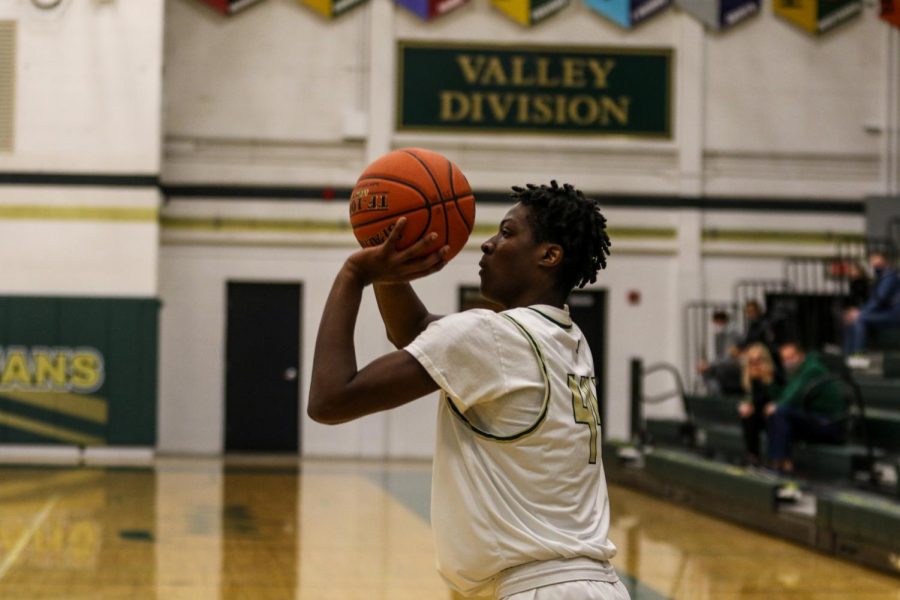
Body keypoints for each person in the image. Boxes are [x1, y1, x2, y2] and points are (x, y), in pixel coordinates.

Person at [308, 181, 630, 600]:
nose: (487, 244)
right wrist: (392, 270)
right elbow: (417, 332)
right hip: (581, 584)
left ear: (549, 256)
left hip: (540, 588)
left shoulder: (494, 337)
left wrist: (355, 274)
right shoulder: (565, 336)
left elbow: (330, 400)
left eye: (507, 233)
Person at [764, 341, 846, 473]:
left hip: (828, 423)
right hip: (813, 418)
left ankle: (781, 461)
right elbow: (784, 396)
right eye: (784, 359)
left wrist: (777, 406)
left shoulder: (812, 369)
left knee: (781, 412)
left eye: (791, 357)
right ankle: (778, 461)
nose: (787, 361)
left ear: (801, 355)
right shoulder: (798, 371)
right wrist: (770, 381)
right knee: (776, 414)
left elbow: (793, 397)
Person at [843, 250, 900, 355]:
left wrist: (860, 313)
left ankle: (857, 354)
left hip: (893, 314)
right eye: (871, 259)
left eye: (875, 258)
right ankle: (847, 354)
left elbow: (879, 299)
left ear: (884, 259)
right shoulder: (881, 276)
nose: (872, 262)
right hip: (886, 312)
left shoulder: (889, 276)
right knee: (851, 320)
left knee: (859, 319)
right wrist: (859, 311)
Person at [736, 343, 783, 466]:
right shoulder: (750, 379)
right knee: (747, 416)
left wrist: (766, 378)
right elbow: (750, 398)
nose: (755, 365)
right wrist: (745, 405)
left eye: (758, 361)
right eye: (751, 361)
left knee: (770, 416)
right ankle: (752, 455)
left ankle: (775, 459)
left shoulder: (773, 375)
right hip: (759, 414)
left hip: (774, 413)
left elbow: (777, 397)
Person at [696, 311, 743, 395]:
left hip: (735, 365)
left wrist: (709, 365)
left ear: (721, 321)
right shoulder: (722, 334)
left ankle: (717, 396)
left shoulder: (733, 333)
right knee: (707, 370)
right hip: (726, 364)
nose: (715, 325)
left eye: (716, 322)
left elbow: (730, 356)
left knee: (710, 371)